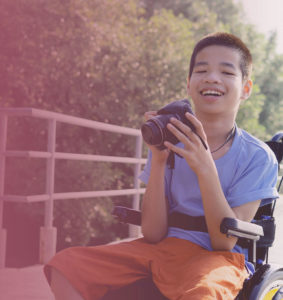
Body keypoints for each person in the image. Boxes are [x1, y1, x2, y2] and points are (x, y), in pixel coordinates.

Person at [44, 32, 279, 300]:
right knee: (65, 265)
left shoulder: (258, 157)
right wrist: (158, 160)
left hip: (220, 260)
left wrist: (205, 169)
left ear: (246, 89)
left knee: (203, 293)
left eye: (226, 72)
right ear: (189, 84)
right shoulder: (168, 141)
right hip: (161, 248)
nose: (212, 77)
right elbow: (153, 233)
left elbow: (223, 242)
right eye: (202, 70)